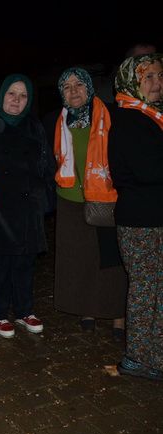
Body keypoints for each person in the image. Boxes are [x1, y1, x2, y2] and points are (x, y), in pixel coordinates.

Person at [0, 74, 53, 339]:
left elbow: (47, 165)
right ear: (2, 94)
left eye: (23, 95)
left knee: (25, 262)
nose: (16, 100)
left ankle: (25, 310)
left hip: (27, 205)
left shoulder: (33, 126)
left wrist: (44, 198)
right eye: (11, 94)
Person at [51, 67, 127, 338]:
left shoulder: (109, 115)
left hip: (106, 197)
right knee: (81, 259)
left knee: (111, 258)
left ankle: (118, 315)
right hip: (70, 199)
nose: (73, 91)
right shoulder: (60, 120)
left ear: (89, 88)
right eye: (67, 86)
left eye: (79, 85)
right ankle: (88, 310)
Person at [108, 53, 163, 380]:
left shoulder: (154, 116)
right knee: (145, 290)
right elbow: (146, 170)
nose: (157, 83)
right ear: (133, 82)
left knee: (157, 290)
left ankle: (154, 354)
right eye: (149, 78)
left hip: (155, 215)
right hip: (140, 221)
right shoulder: (129, 119)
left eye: (160, 75)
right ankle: (137, 358)